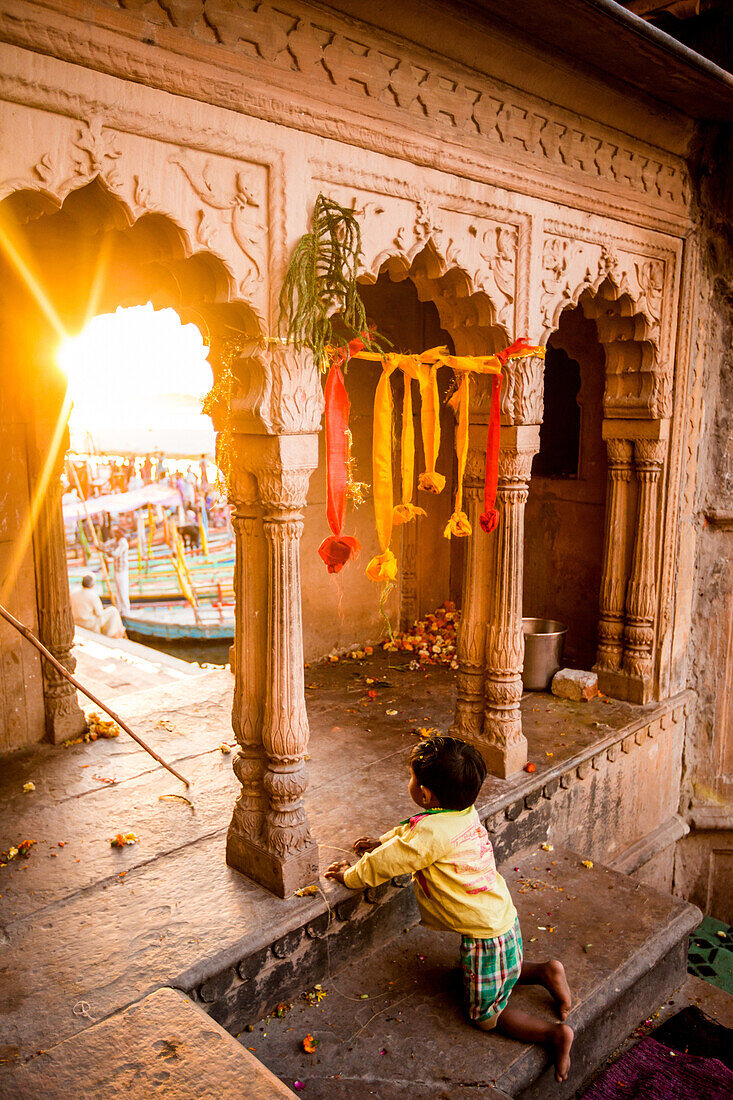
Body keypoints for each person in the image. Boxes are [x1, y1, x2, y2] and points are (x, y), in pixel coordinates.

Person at [326, 735, 574, 1083]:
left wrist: (349, 876)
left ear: (426, 794)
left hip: (486, 938)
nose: (410, 784)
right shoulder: (461, 814)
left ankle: (553, 1035)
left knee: (485, 1014)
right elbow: (410, 833)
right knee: (505, 969)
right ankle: (547, 972)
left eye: (413, 779)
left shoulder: (430, 834)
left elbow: (387, 863)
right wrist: (381, 841)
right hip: (502, 917)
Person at [103, 527, 130, 614]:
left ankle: (126, 611)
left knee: (123, 591)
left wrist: (104, 551)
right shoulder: (116, 541)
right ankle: (120, 610)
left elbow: (115, 554)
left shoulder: (123, 543)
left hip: (122, 571)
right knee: (118, 592)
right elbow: (107, 544)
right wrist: (101, 546)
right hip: (116, 570)